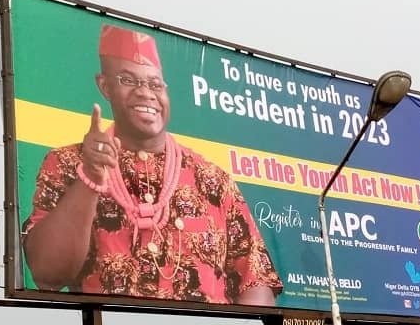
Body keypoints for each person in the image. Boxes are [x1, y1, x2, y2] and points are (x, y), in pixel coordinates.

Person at [23, 24, 283, 305]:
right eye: (128, 80)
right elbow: (47, 274)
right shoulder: (67, 163)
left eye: (155, 83)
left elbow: (254, 280)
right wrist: (90, 178)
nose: (145, 93)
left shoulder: (212, 178)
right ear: (105, 86)